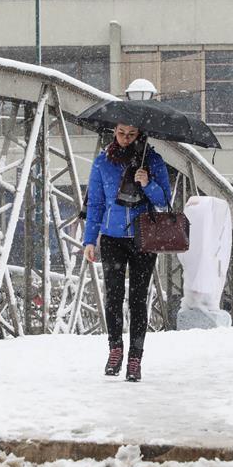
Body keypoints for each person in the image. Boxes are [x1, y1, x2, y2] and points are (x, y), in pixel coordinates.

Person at [83, 123, 171, 382]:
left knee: (138, 298)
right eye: (121, 133)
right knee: (113, 296)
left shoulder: (152, 161)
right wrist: (90, 240)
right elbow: (95, 203)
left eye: (131, 135)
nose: (125, 138)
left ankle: (135, 357)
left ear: (140, 135)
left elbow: (164, 199)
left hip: (144, 237)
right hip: (112, 238)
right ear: (114, 132)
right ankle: (115, 349)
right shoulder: (103, 162)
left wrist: (148, 183)